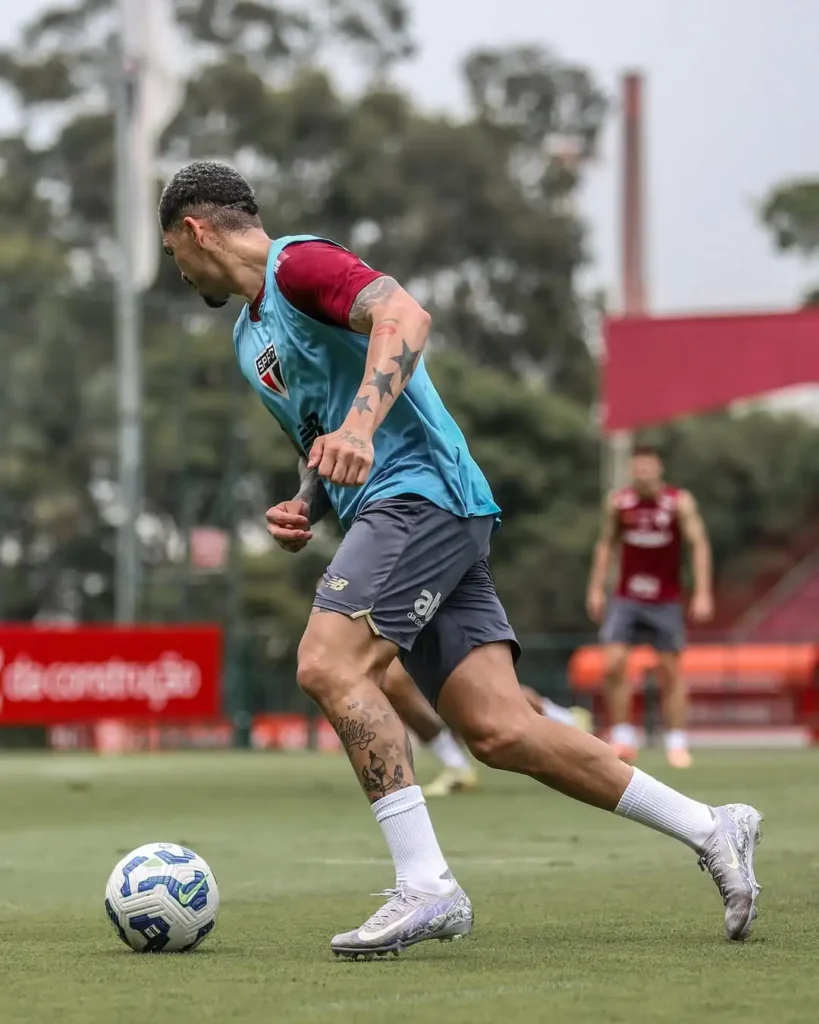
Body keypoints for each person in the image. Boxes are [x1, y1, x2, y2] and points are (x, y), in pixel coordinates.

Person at [158, 161, 763, 959]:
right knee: (500, 730)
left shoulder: (298, 263)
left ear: (195, 231)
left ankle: (427, 885)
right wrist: (306, 499)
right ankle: (711, 827)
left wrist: (362, 428)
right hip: (408, 512)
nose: (178, 270)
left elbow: (403, 314)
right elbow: (320, 436)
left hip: (421, 496)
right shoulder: (247, 339)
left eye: (172, 253)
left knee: (327, 664)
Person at [586, 446, 714, 768]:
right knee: (613, 664)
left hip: (665, 599)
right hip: (626, 597)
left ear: (659, 469)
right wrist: (596, 588)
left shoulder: (678, 502)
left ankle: (677, 742)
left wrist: (703, 592)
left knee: (669, 671)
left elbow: (698, 544)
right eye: (637, 468)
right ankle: (623, 737)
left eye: (648, 467)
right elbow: (606, 543)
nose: (642, 473)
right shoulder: (619, 502)